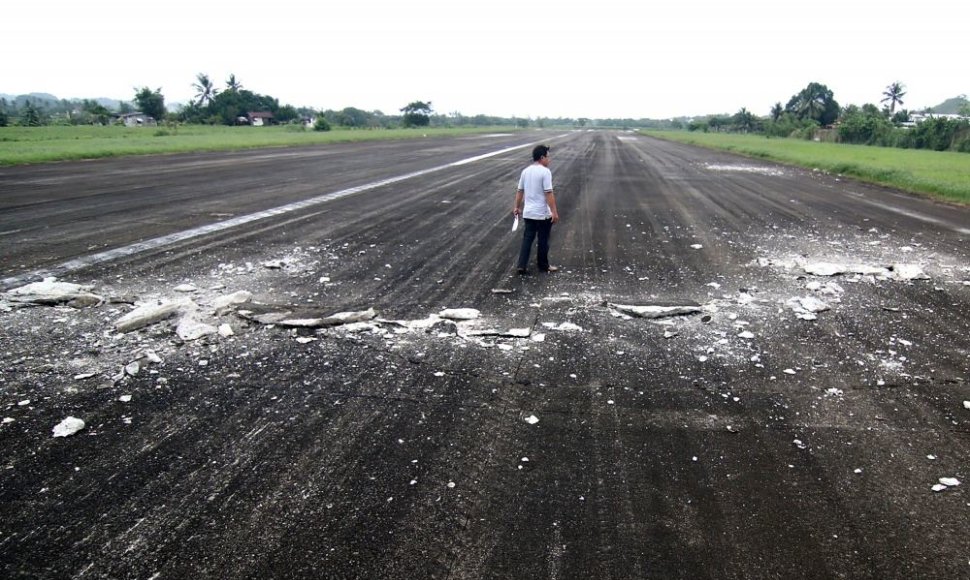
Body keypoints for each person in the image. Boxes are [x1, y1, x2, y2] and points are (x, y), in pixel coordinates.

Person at [513, 144, 559, 274]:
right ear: (542, 157)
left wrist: (516, 207)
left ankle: (521, 265)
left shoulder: (525, 171)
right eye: (548, 157)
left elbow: (520, 191)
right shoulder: (545, 172)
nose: (549, 160)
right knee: (543, 239)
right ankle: (543, 265)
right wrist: (554, 212)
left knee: (527, 238)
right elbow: (549, 193)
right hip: (542, 213)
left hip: (528, 212)